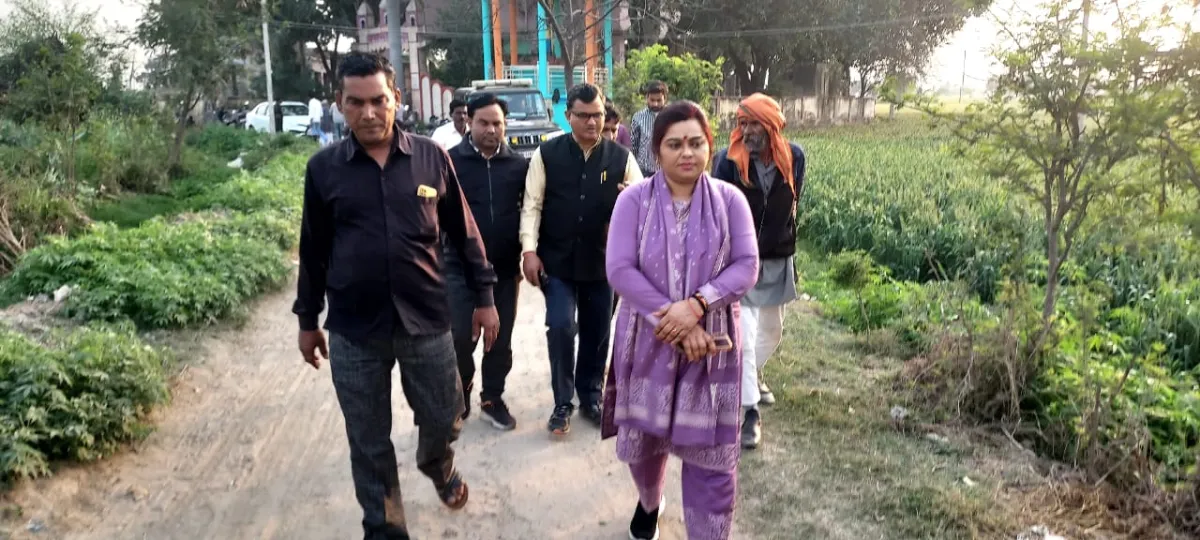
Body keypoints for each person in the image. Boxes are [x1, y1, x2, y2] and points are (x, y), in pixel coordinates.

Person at [293, 52, 499, 540]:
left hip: (426, 319)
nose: (368, 113)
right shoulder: (324, 169)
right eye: (356, 103)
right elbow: (313, 250)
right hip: (354, 329)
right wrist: (307, 320)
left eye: (378, 101)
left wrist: (485, 297)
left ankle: (436, 461)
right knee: (368, 439)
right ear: (339, 104)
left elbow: (465, 233)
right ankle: (384, 527)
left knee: (447, 415)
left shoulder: (431, 157)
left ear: (396, 99)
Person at [603, 100, 759, 540]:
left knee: (712, 461)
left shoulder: (730, 201)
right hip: (647, 342)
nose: (686, 153)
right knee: (644, 448)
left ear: (709, 146)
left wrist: (697, 306)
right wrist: (676, 321)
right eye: (674, 144)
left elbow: (747, 265)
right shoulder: (633, 201)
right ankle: (650, 502)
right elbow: (620, 269)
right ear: (657, 150)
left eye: (695, 143)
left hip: (711, 347)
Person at [519, 83, 642, 436]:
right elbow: (532, 205)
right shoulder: (548, 154)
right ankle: (562, 402)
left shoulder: (621, 158)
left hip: (603, 264)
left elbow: (643, 200)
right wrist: (529, 250)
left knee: (597, 331)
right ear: (568, 116)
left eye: (597, 115)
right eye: (584, 115)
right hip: (556, 262)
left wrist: (631, 199)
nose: (592, 122)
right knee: (560, 326)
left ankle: (590, 395)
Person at [711, 93, 807, 450]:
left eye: (755, 123)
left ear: (771, 126)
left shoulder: (794, 156)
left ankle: (748, 375)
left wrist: (781, 238)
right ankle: (749, 411)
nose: (747, 130)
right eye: (744, 123)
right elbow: (719, 211)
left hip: (778, 256)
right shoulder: (727, 161)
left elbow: (793, 200)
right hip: (740, 260)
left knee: (772, 330)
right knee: (746, 336)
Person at [445, 93, 528, 431]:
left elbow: (533, 209)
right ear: (468, 121)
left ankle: (492, 398)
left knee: (500, 339)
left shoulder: (518, 166)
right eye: (483, 122)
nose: (491, 129)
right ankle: (461, 390)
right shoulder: (449, 163)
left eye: (497, 123)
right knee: (460, 337)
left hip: (504, 270)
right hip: (459, 269)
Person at [630, 80, 668, 177]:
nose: (655, 104)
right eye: (652, 100)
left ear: (665, 99)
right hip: (643, 170)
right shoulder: (638, 117)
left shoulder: (671, 117)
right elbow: (634, 145)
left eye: (659, 100)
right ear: (647, 98)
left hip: (666, 169)